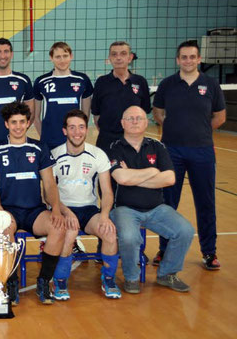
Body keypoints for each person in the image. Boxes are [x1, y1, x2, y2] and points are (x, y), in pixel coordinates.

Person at [152, 40, 226, 270]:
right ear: (177, 60)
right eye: (184, 57)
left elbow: (220, 116)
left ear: (199, 59)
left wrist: (200, 131)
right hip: (171, 151)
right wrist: (173, 129)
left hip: (202, 151)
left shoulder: (210, 84)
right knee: (167, 203)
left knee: (205, 202)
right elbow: (157, 112)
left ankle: (209, 252)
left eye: (192, 57)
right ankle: (164, 249)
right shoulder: (167, 84)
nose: (188, 61)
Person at [0, 102, 65, 305]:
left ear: (28, 123)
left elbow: (49, 184)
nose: (18, 126)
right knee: (4, 231)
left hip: (34, 211)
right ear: (6, 124)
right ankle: (11, 283)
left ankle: (44, 281)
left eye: (22, 122)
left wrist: (56, 208)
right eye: (14, 122)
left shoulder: (39, 148)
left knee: (58, 227)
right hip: (8, 209)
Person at [109, 106, 195, 294]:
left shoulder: (157, 146)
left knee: (185, 231)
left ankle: (167, 274)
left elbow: (170, 179)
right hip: (124, 209)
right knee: (130, 238)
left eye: (139, 118)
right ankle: (131, 278)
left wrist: (133, 178)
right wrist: (153, 171)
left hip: (157, 208)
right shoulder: (114, 147)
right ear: (122, 123)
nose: (135, 122)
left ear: (146, 122)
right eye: (130, 118)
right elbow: (121, 178)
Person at [51, 109, 121, 300]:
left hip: (89, 209)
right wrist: (66, 213)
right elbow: (49, 194)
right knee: (69, 232)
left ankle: (108, 279)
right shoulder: (54, 155)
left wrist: (104, 216)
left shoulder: (98, 154)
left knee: (109, 232)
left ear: (87, 129)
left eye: (81, 127)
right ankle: (60, 280)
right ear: (65, 131)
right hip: (63, 208)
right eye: (72, 127)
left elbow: (107, 192)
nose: (77, 132)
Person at [91, 41, 151, 155]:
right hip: (107, 140)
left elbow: (144, 111)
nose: (118, 58)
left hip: (134, 140)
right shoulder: (101, 82)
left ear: (130, 57)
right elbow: (96, 115)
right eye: (114, 54)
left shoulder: (140, 81)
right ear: (109, 58)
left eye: (123, 53)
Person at [33, 42, 93, 150]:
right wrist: (45, 137)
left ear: (71, 56)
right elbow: (36, 117)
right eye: (58, 57)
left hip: (73, 142)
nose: (62, 60)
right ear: (51, 58)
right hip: (49, 142)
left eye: (65, 56)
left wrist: (78, 135)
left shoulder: (82, 80)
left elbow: (85, 115)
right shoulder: (41, 81)